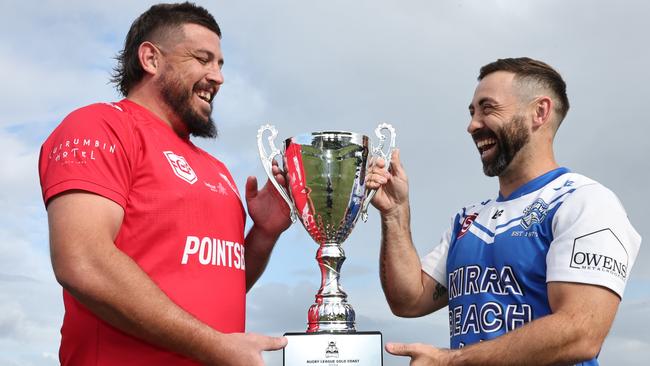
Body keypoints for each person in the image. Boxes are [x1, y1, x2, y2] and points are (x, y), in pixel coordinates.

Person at [38, 3, 291, 365]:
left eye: (220, 64)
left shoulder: (215, 168)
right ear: (151, 59)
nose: (218, 77)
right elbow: (83, 262)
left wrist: (264, 234)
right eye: (203, 59)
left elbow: (216, 285)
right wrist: (217, 347)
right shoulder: (99, 126)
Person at [366, 57, 641, 365]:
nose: (472, 125)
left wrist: (451, 361)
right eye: (472, 112)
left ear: (539, 112)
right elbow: (409, 299)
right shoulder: (468, 221)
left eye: (488, 108)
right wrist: (395, 213)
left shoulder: (584, 202)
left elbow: (581, 332)